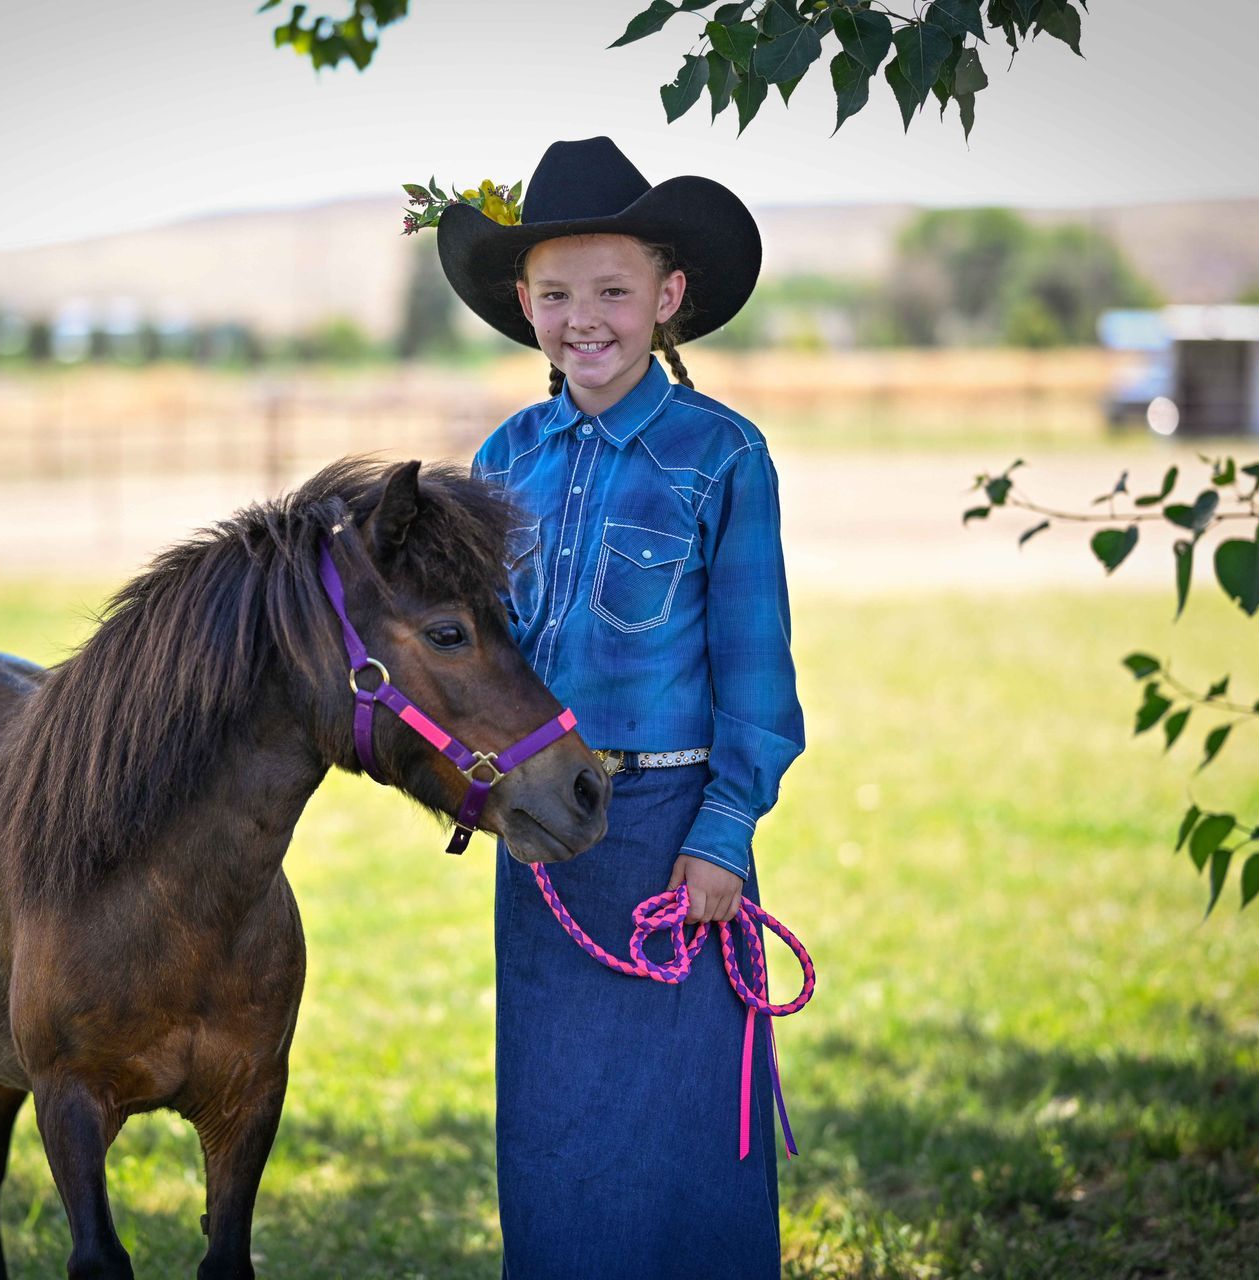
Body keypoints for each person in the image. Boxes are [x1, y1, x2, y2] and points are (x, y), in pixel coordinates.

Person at [435, 137, 806, 1278]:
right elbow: (475, 659)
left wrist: (723, 836)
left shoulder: (721, 456)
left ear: (668, 296)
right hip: (545, 837)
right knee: (554, 1131)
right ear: (524, 303)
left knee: (686, 1136)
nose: (583, 318)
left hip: (669, 836)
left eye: (612, 290)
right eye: (556, 294)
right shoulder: (501, 459)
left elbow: (757, 673)